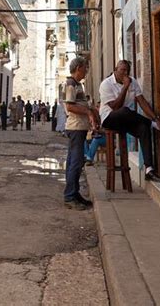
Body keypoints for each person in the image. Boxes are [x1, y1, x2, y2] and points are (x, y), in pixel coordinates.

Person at [100, 59, 160, 182]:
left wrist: (155, 117)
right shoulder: (106, 84)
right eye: (122, 70)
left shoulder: (132, 81)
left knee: (143, 129)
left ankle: (149, 170)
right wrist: (125, 87)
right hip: (109, 118)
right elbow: (115, 107)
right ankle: (155, 125)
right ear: (115, 69)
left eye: (127, 71)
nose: (125, 73)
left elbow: (142, 102)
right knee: (125, 110)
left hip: (126, 119)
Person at [63, 56, 99, 210]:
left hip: (80, 128)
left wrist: (92, 112)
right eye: (85, 68)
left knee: (74, 161)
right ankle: (70, 196)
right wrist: (88, 113)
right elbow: (70, 107)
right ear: (78, 68)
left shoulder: (78, 84)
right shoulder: (71, 84)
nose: (86, 71)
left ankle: (74, 193)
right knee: (76, 162)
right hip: (75, 127)